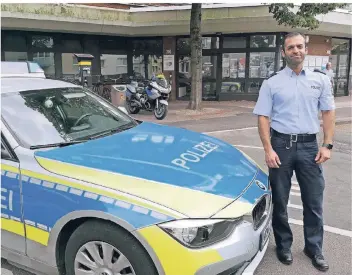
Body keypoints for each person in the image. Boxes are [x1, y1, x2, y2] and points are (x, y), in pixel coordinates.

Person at [253, 32, 335, 272]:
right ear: (283, 52)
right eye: (291, 47)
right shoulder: (272, 82)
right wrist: (268, 149)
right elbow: (263, 117)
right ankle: (284, 245)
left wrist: (327, 144)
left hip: (311, 147)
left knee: (313, 201)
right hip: (281, 146)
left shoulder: (320, 80)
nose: (296, 51)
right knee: (280, 200)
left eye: (299, 46)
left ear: (305, 49)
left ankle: (314, 248)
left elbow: (328, 113)